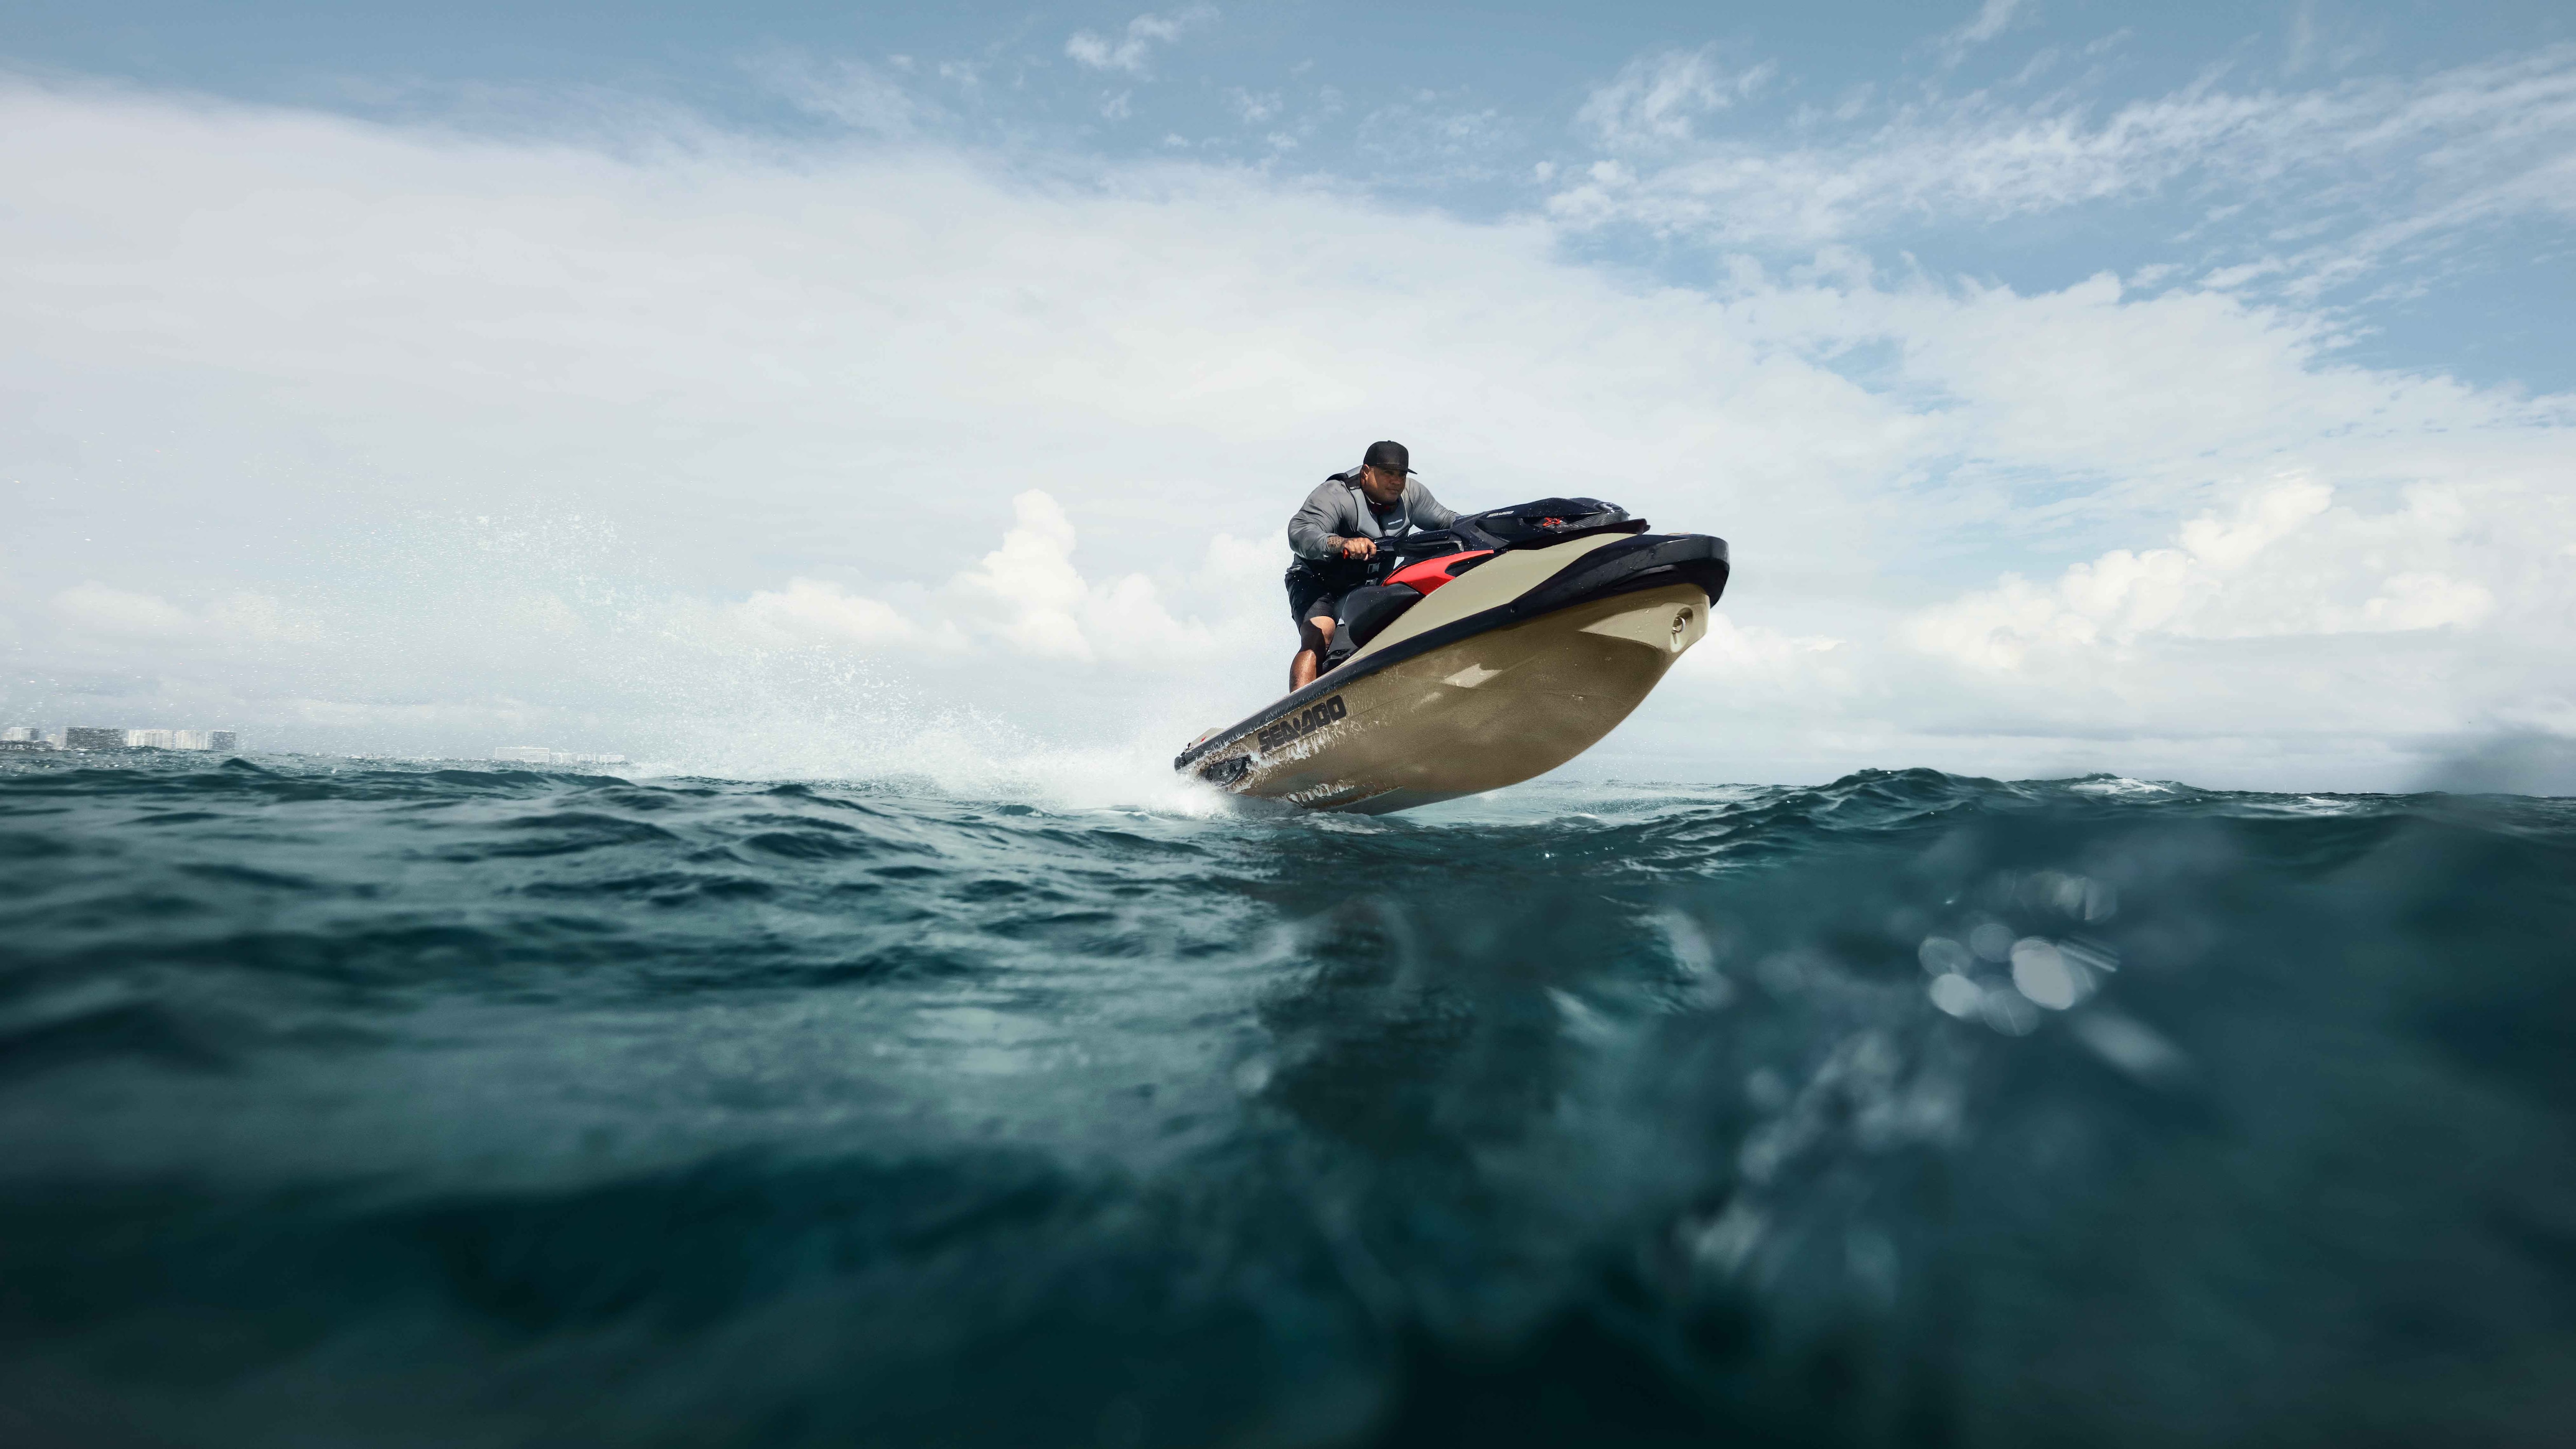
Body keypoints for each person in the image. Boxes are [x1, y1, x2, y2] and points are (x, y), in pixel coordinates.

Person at [1284, 440, 1459, 689]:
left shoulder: (1413, 496)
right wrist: (1341, 543)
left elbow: (1448, 520)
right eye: (1388, 473)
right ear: (1366, 472)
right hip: (1316, 581)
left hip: (1367, 586)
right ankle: (1299, 714)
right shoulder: (1336, 495)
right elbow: (1300, 532)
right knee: (1320, 633)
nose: (1396, 481)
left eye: (1401, 475)